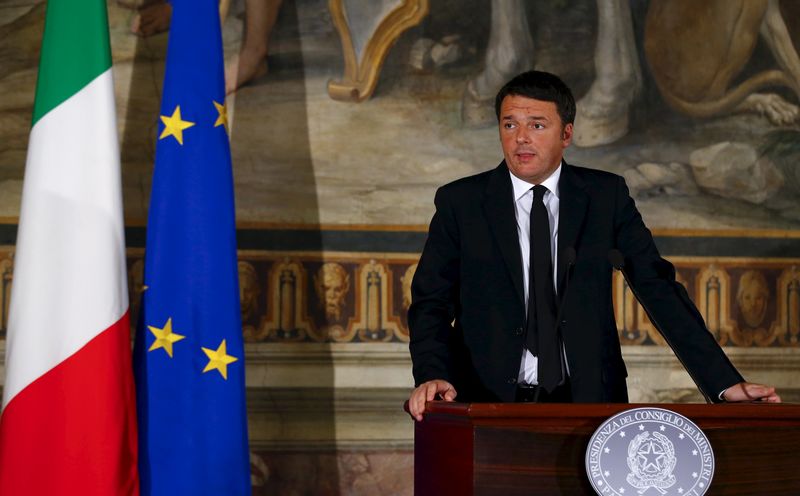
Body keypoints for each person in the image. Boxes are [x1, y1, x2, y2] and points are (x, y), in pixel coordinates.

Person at [407, 70, 780, 421]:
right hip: (484, 402)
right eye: (510, 124)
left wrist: (723, 382)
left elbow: (658, 288)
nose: (521, 137)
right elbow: (431, 302)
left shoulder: (605, 197)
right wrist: (433, 374)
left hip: (588, 403)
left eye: (536, 125)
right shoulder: (462, 202)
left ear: (566, 134)